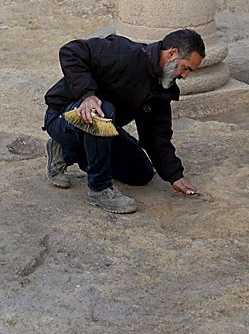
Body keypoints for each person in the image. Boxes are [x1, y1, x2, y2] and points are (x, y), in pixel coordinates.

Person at [42, 29, 205, 214]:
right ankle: (99, 189)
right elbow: (71, 51)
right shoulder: (124, 53)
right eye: (186, 68)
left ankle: (63, 152)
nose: (185, 76)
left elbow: (156, 136)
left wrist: (175, 175)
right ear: (172, 54)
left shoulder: (162, 89)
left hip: (103, 128)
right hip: (62, 117)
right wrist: (87, 95)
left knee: (140, 173)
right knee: (103, 111)